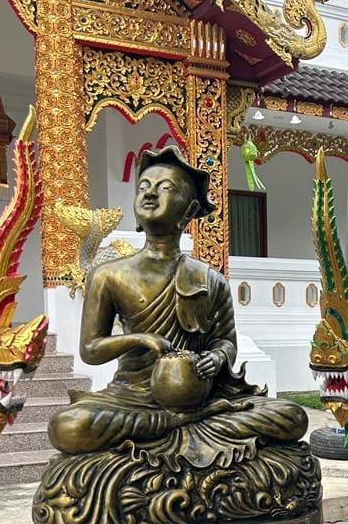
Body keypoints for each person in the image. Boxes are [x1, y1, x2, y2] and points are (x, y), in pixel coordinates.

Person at [48, 146, 306, 460]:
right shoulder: (108, 275)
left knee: (292, 416)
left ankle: (172, 424)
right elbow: (90, 350)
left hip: (202, 398)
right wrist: (139, 339)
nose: (150, 194)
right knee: (69, 426)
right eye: (144, 187)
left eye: (165, 188)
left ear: (189, 209)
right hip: (134, 397)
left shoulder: (210, 279)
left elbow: (226, 343)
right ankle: (176, 424)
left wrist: (215, 357)